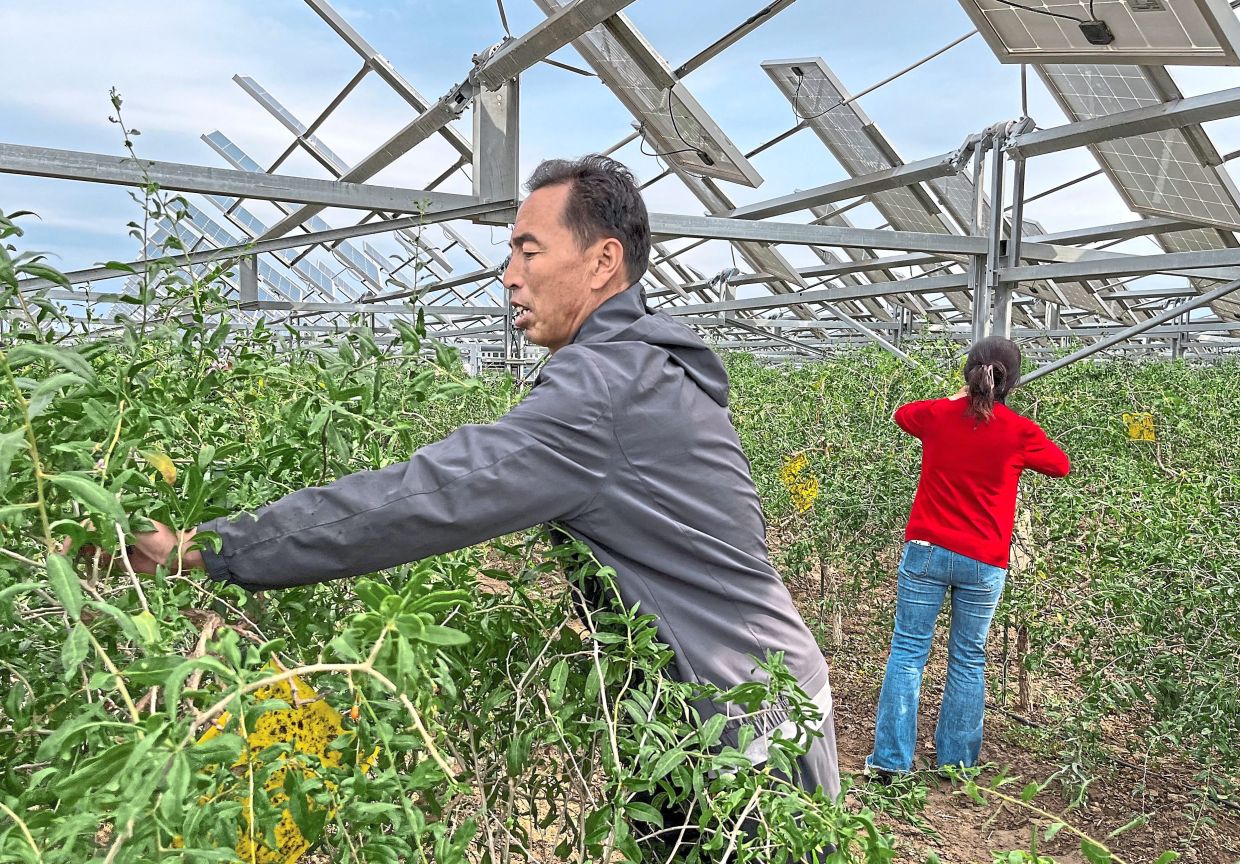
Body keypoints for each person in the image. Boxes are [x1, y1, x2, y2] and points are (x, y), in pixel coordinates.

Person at [116, 156, 840, 806]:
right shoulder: (646, 365)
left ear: (602, 262)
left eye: (530, 250)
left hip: (743, 722)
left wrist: (209, 548)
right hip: (751, 692)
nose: (510, 276)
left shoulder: (606, 385)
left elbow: (431, 494)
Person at [866, 336, 1069, 777]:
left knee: (908, 651)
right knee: (967, 657)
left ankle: (890, 763)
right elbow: (1060, 465)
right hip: (983, 560)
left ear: (968, 373)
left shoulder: (938, 417)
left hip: (926, 551)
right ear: (1011, 382)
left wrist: (956, 398)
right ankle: (956, 763)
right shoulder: (1019, 432)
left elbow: (903, 414)